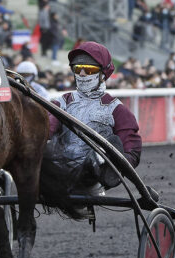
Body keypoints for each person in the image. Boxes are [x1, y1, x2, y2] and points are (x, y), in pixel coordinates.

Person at [41, 42, 142, 218]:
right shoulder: (62, 102)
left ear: (103, 73)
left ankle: (93, 165)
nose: (81, 74)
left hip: (95, 176)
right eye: (77, 68)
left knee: (107, 149)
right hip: (59, 171)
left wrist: (114, 164)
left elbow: (132, 151)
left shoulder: (116, 109)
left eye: (88, 69)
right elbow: (46, 129)